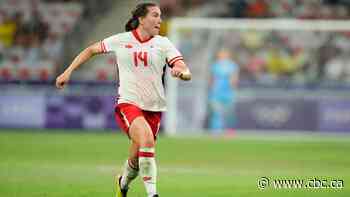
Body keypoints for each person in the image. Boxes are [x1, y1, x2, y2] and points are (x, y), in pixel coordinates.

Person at [55, 2, 191, 197]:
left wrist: (182, 73)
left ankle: (123, 183)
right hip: (129, 103)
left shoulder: (163, 43)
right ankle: (153, 194)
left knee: (136, 159)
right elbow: (91, 50)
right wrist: (67, 72)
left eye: (160, 16)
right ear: (141, 19)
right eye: (154, 15)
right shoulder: (121, 40)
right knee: (146, 140)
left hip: (154, 107)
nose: (159, 20)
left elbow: (185, 69)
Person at [208, 49, 239, 134]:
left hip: (228, 93)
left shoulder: (232, 66)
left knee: (229, 114)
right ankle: (216, 131)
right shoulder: (215, 65)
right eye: (221, 54)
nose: (222, 55)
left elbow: (234, 79)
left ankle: (230, 131)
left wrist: (232, 87)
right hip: (216, 93)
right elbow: (212, 79)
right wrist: (212, 89)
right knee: (216, 113)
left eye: (224, 54)